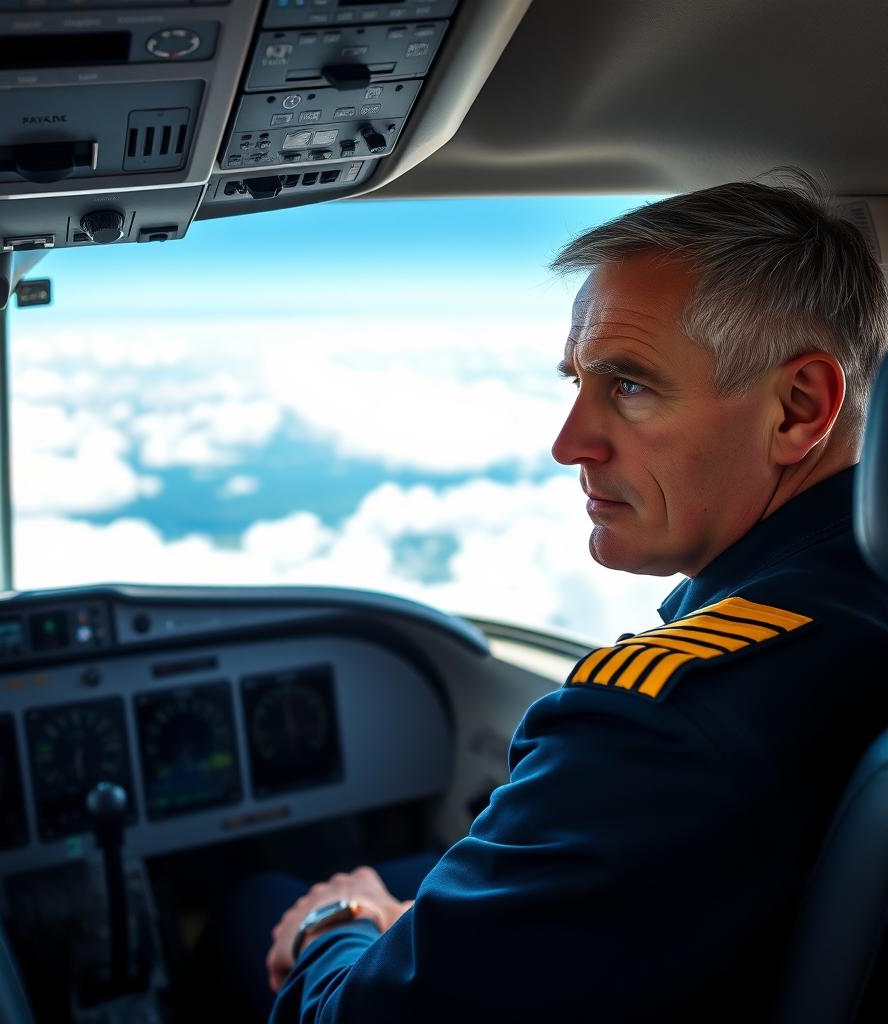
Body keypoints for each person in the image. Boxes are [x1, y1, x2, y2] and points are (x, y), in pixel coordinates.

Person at [262, 171, 888, 1022]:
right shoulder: (855, 607)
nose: (569, 443)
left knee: (263, 898)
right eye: (577, 382)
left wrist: (336, 926)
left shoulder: (661, 723)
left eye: (628, 385)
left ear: (798, 408)